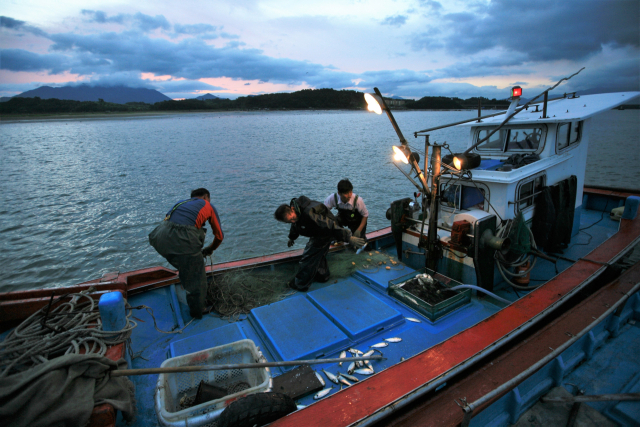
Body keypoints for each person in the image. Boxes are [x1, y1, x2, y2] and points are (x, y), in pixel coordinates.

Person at [149, 188, 224, 319]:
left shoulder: (180, 203)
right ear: (206, 197)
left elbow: (170, 225)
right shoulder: (208, 206)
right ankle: (198, 310)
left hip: (158, 235)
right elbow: (219, 236)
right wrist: (210, 249)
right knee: (196, 275)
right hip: (183, 236)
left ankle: (186, 272)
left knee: (187, 264)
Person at [274, 196, 365, 292]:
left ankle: (300, 284)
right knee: (318, 255)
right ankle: (323, 276)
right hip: (318, 232)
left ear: (292, 209)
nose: (292, 221)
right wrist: (291, 237)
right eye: (289, 221)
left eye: (292, 218)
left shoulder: (309, 214)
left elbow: (330, 225)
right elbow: (296, 225)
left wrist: (348, 238)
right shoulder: (296, 211)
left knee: (308, 258)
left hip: (326, 231)